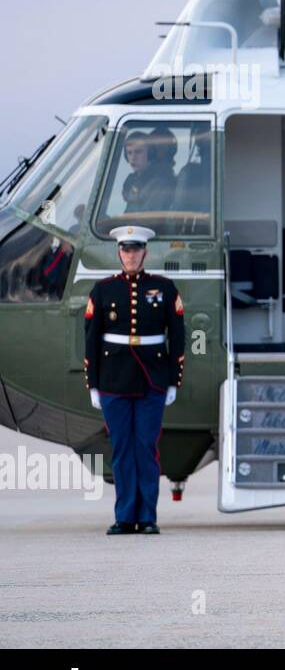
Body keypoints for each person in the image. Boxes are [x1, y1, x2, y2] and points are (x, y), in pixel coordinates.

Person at [83, 225, 186, 535]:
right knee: (122, 448)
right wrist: (93, 383)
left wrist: (173, 380)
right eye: (126, 250)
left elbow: (178, 336)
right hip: (113, 380)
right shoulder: (103, 290)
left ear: (145, 252)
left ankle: (148, 517)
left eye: (136, 249)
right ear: (119, 253)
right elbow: (90, 339)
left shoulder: (165, 288)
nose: (131, 255)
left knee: (146, 448)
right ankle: (125, 516)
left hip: (152, 379)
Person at [119, 130, 175, 216]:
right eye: (129, 153)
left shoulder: (160, 184)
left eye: (138, 152)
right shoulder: (133, 182)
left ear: (150, 154)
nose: (133, 158)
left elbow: (147, 220)